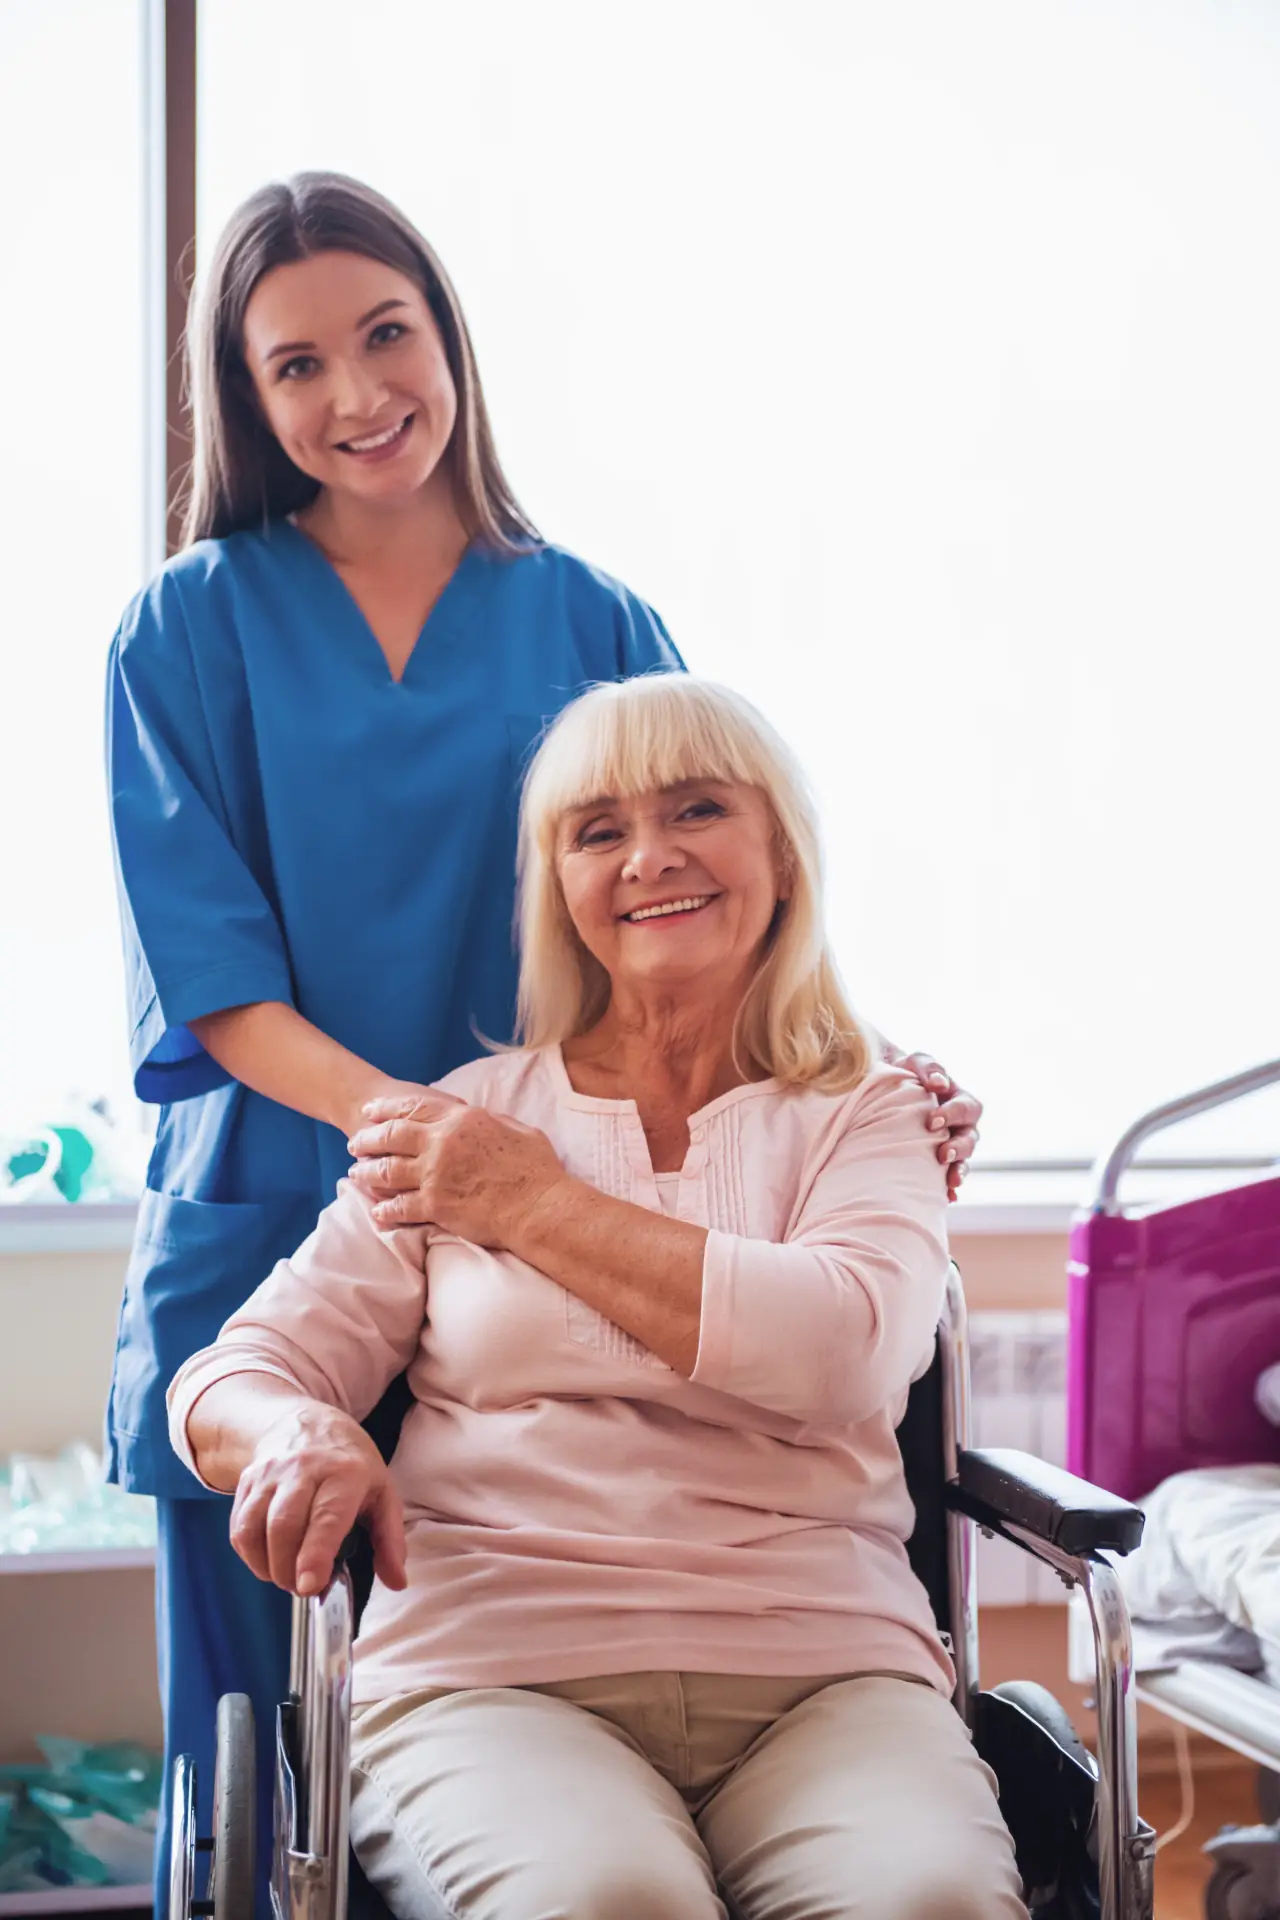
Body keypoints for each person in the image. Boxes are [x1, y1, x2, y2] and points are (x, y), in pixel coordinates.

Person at [107, 172, 981, 1911]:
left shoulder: (591, 618)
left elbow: (710, 872)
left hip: (563, 1191)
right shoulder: (186, 627)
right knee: (261, 1803)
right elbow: (212, 979)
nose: (359, 394)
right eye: (297, 365)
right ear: (246, 400)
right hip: (294, 1208)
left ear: (450, 340)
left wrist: (865, 1068)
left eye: (388, 335)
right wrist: (462, 1156)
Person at [166, 674, 1023, 1920]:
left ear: (782, 853)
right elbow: (232, 1375)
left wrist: (529, 1205)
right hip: (489, 1672)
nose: (648, 857)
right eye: (597, 831)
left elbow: (843, 1353)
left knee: (928, 1901)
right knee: (610, 1901)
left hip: (823, 1670)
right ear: (558, 889)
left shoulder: (873, 1113)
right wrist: (293, 1427)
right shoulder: (464, 1118)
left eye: (696, 810)